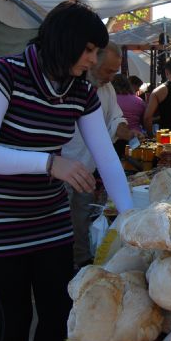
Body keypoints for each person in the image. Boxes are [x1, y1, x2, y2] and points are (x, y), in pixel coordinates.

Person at [0, 0, 133, 341]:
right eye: (88, 50)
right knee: (16, 320)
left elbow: (106, 157)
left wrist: (132, 219)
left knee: (57, 314)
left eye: (96, 51)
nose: (92, 60)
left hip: (49, 219)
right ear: (63, 40)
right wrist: (48, 163)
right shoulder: (3, 74)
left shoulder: (80, 92)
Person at [61, 41, 142, 266]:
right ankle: (65, 267)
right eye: (108, 70)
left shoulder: (107, 89)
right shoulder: (71, 86)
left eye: (115, 72)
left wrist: (125, 130)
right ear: (93, 61)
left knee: (81, 219)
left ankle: (81, 263)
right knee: (64, 224)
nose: (111, 76)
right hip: (62, 168)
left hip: (87, 168)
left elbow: (115, 118)